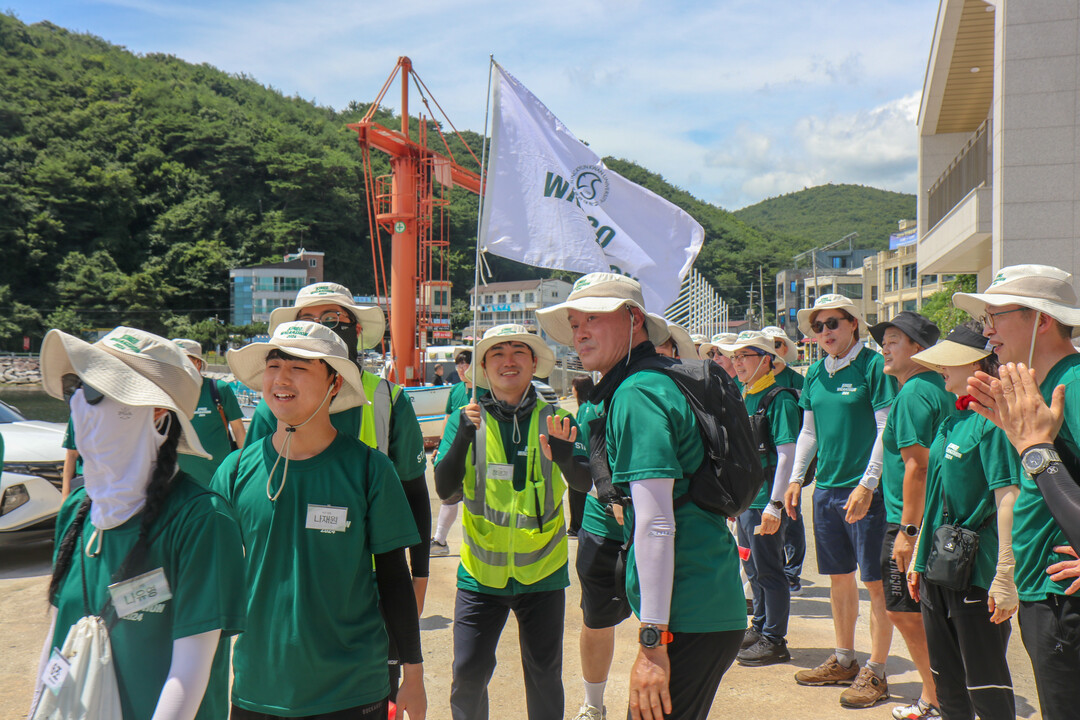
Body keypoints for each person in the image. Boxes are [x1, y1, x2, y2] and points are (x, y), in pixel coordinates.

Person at [537, 273, 747, 720]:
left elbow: (656, 523)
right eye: (574, 323)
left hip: (689, 612)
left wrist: (652, 644)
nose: (580, 333)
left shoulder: (638, 393)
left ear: (634, 319)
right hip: (706, 601)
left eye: (594, 318)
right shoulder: (653, 381)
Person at [32, 326, 245, 720]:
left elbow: (189, 673)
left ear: (158, 414)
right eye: (76, 386)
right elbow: (57, 640)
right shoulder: (77, 511)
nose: (79, 403)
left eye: (98, 390)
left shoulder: (202, 520)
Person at [215, 321, 426, 719]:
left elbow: (394, 578)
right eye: (274, 366)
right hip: (258, 687)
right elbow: (211, 579)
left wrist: (413, 675)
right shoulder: (235, 469)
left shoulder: (369, 470)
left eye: (299, 367)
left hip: (352, 689)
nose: (281, 378)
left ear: (334, 383)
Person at [247, 282, 430, 625]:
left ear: (355, 331)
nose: (321, 327)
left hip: (371, 581)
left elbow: (415, 492)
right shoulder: (273, 407)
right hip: (289, 578)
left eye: (332, 318)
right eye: (308, 320)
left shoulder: (388, 400)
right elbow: (252, 493)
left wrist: (419, 575)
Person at [433, 324, 591, 720]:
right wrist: (462, 438)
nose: (509, 361)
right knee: (468, 675)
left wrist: (566, 456)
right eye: (498, 354)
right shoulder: (465, 419)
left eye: (518, 351)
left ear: (534, 363)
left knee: (544, 676)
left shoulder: (556, 418)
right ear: (484, 367)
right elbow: (445, 489)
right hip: (480, 573)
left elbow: (582, 483)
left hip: (542, 572)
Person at [952, 264, 1080, 720]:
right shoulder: (1043, 385)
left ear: (1041, 319)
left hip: (1062, 595)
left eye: (995, 317)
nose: (987, 331)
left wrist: (1033, 448)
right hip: (1044, 591)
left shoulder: (1072, 385)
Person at [903, 324, 1020, 720]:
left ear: (975, 364)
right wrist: (919, 558)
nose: (940, 369)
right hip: (939, 567)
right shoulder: (953, 418)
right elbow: (936, 495)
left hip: (977, 572)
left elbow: (1008, 497)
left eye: (947, 361)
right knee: (947, 684)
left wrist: (1005, 574)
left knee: (985, 687)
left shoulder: (993, 422)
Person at [783, 293, 895, 709]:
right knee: (839, 578)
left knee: (875, 584)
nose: (825, 332)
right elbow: (808, 432)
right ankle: (845, 659)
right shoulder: (815, 372)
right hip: (827, 489)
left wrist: (868, 483)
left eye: (833, 323)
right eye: (818, 326)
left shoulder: (873, 366)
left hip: (865, 491)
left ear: (853, 324)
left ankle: (876, 670)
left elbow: (885, 427)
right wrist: (796, 479)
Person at [868, 312, 952, 720]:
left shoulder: (915, 391)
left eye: (894, 341)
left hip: (911, 519)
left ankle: (936, 698)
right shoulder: (933, 385)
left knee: (904, 611)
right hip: (927, 517)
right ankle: (940, 695)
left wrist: (908, 531)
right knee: (918, 611)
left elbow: (917, 465)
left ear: (919, 349)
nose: (885, 348)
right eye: (884, 341)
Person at [725, 331, 801, 667]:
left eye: (746, 356)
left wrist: (775, 504)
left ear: (767, 360)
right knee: (753, 569)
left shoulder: (778, 399)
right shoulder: (745, 396)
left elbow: (787, 454)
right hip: (746, 502)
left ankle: (774, 639)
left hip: (764, 503)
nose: (738, 362)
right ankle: (759, 625)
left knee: (770, 571)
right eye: (736, 356)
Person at [568, 370, 630, 720]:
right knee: (596, 620)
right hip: (601, 529)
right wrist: (606, 495)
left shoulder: (658, 394)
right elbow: (583, 466)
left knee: (663, 624)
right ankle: (593, 704)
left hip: (657, 528)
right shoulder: (591, 408)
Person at [763, 325, 807, 593]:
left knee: (790, 515)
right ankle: (775, 568)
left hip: (789, 457)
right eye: (767, 344)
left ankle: (792, 571)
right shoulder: (754, 381)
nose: (773, 348)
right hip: (762, 463)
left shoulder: (796, 381)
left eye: (777, 343)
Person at [171, 338, 247, 486]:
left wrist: (246, 466)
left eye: (184, 361)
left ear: (198, 364)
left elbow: (238, 430)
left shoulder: (219, 389)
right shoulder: (169, 393)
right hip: (178, 482)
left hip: (217, 479)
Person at [431, 349, 483, 556]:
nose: (461, 369)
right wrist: (440, 445)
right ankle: (439, 541)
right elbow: (447, 417)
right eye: (458, 364)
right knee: (449, 496)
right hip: (453, 451)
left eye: (465, 364)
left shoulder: (483, 392)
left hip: (476, 455)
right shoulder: (455, 390)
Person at [566, 375, 595, 538]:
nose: (572, 390)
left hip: (582, 456)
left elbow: (582, 433)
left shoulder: (585, 408)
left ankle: (576, 527)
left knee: (576, 494)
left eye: (573, 387)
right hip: (588, 455)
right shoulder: (590, 405)